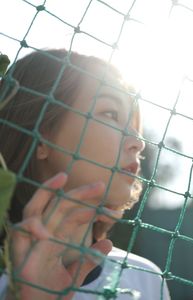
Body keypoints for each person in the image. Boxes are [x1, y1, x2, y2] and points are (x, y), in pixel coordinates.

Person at [0, 49, 170, 300]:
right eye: (110, 113)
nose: (138, 142)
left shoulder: (145, 279)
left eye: (133, 124)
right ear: (41, 135)